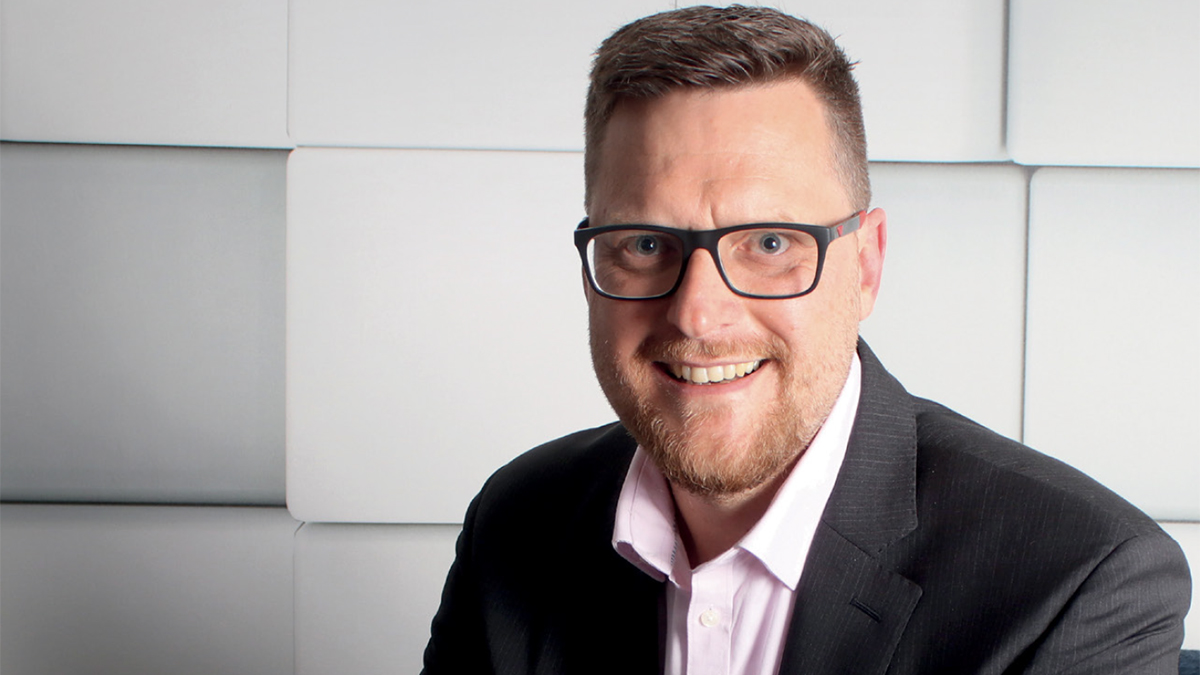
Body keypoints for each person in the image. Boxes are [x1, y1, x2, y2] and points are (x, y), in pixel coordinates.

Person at [423, 6, 1191, 673]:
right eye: (646, 244)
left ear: (866, 265)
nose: (697, 314)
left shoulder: (1078, 580)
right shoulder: (518, 520)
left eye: (768, 243)